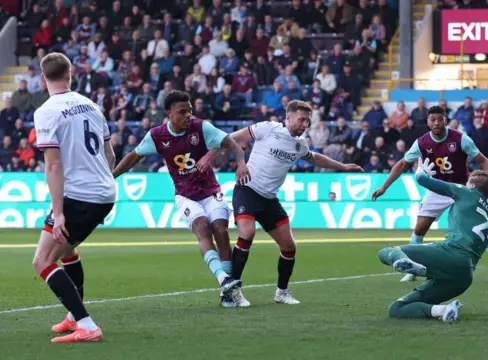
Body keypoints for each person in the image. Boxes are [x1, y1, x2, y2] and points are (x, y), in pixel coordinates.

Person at [112, 90, 249, 307]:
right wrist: (112, 177)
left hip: (211, 191)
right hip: (185, 196)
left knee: (221, 230)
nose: (188, 116)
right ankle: (225, 280)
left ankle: (227, 292)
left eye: (190, 111)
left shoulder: (201, 127)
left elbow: (231, 143)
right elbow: (133, 156)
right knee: (202, 227)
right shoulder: (157, 136)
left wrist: (240, 163)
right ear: (169, 114)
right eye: (182, 112)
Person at [228, 100, 363, 306]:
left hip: (269, 199)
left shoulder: (300, 144)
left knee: (289, 246)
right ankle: (232, 290)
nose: (305, 125)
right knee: (247, 233)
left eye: (308, 121)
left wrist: (343, 166)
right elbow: (232, 139)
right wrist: (239, 163)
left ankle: (281, 292)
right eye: (301, 120)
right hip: (247, 189)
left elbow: (315, 158)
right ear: (288, 117)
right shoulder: (267, 128)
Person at [372, 106, 488, 283]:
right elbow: (402, 164)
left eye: (440, 119)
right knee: (420, 228)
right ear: (428, 122)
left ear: (445, 120)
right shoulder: (421, 143)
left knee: (485, 229)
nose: (436, 123)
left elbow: (483, 160)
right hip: (438, 189)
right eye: (433, 120)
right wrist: (384, 187)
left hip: (461, 189)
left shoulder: (461, 139)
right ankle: (412, 268)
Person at [32, 52, 117, 343]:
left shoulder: (46, 111)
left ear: (43, 78)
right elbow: (110, 154)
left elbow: (53, 166)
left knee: (42, 260)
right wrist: (103, 194)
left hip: (79, 196)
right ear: (71, 73)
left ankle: (87, 325)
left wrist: (58, 213)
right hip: (103, 191)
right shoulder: (92, 105)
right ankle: (73, 317)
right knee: (66, 251)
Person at [378, 164, 488, 322]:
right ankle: (444, 310)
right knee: (397, 309)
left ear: (473, 185)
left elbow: (422, 179)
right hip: (464, 276)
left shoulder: (465, 192)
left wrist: (423, 170)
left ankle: (408, 263)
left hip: (452, 253)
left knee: (385, 252)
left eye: (468, 182)